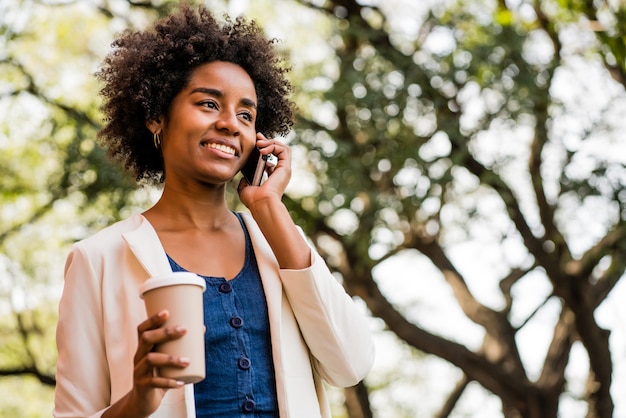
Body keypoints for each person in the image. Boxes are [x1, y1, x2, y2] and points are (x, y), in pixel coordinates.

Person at [53, 3, 374, 418]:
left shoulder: (278, 244)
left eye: (246, 114)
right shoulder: (97, 259)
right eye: (208, 104)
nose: (230, 124)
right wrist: (138, 401)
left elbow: (350, 365)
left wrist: (267, 208)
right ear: (155, 115)